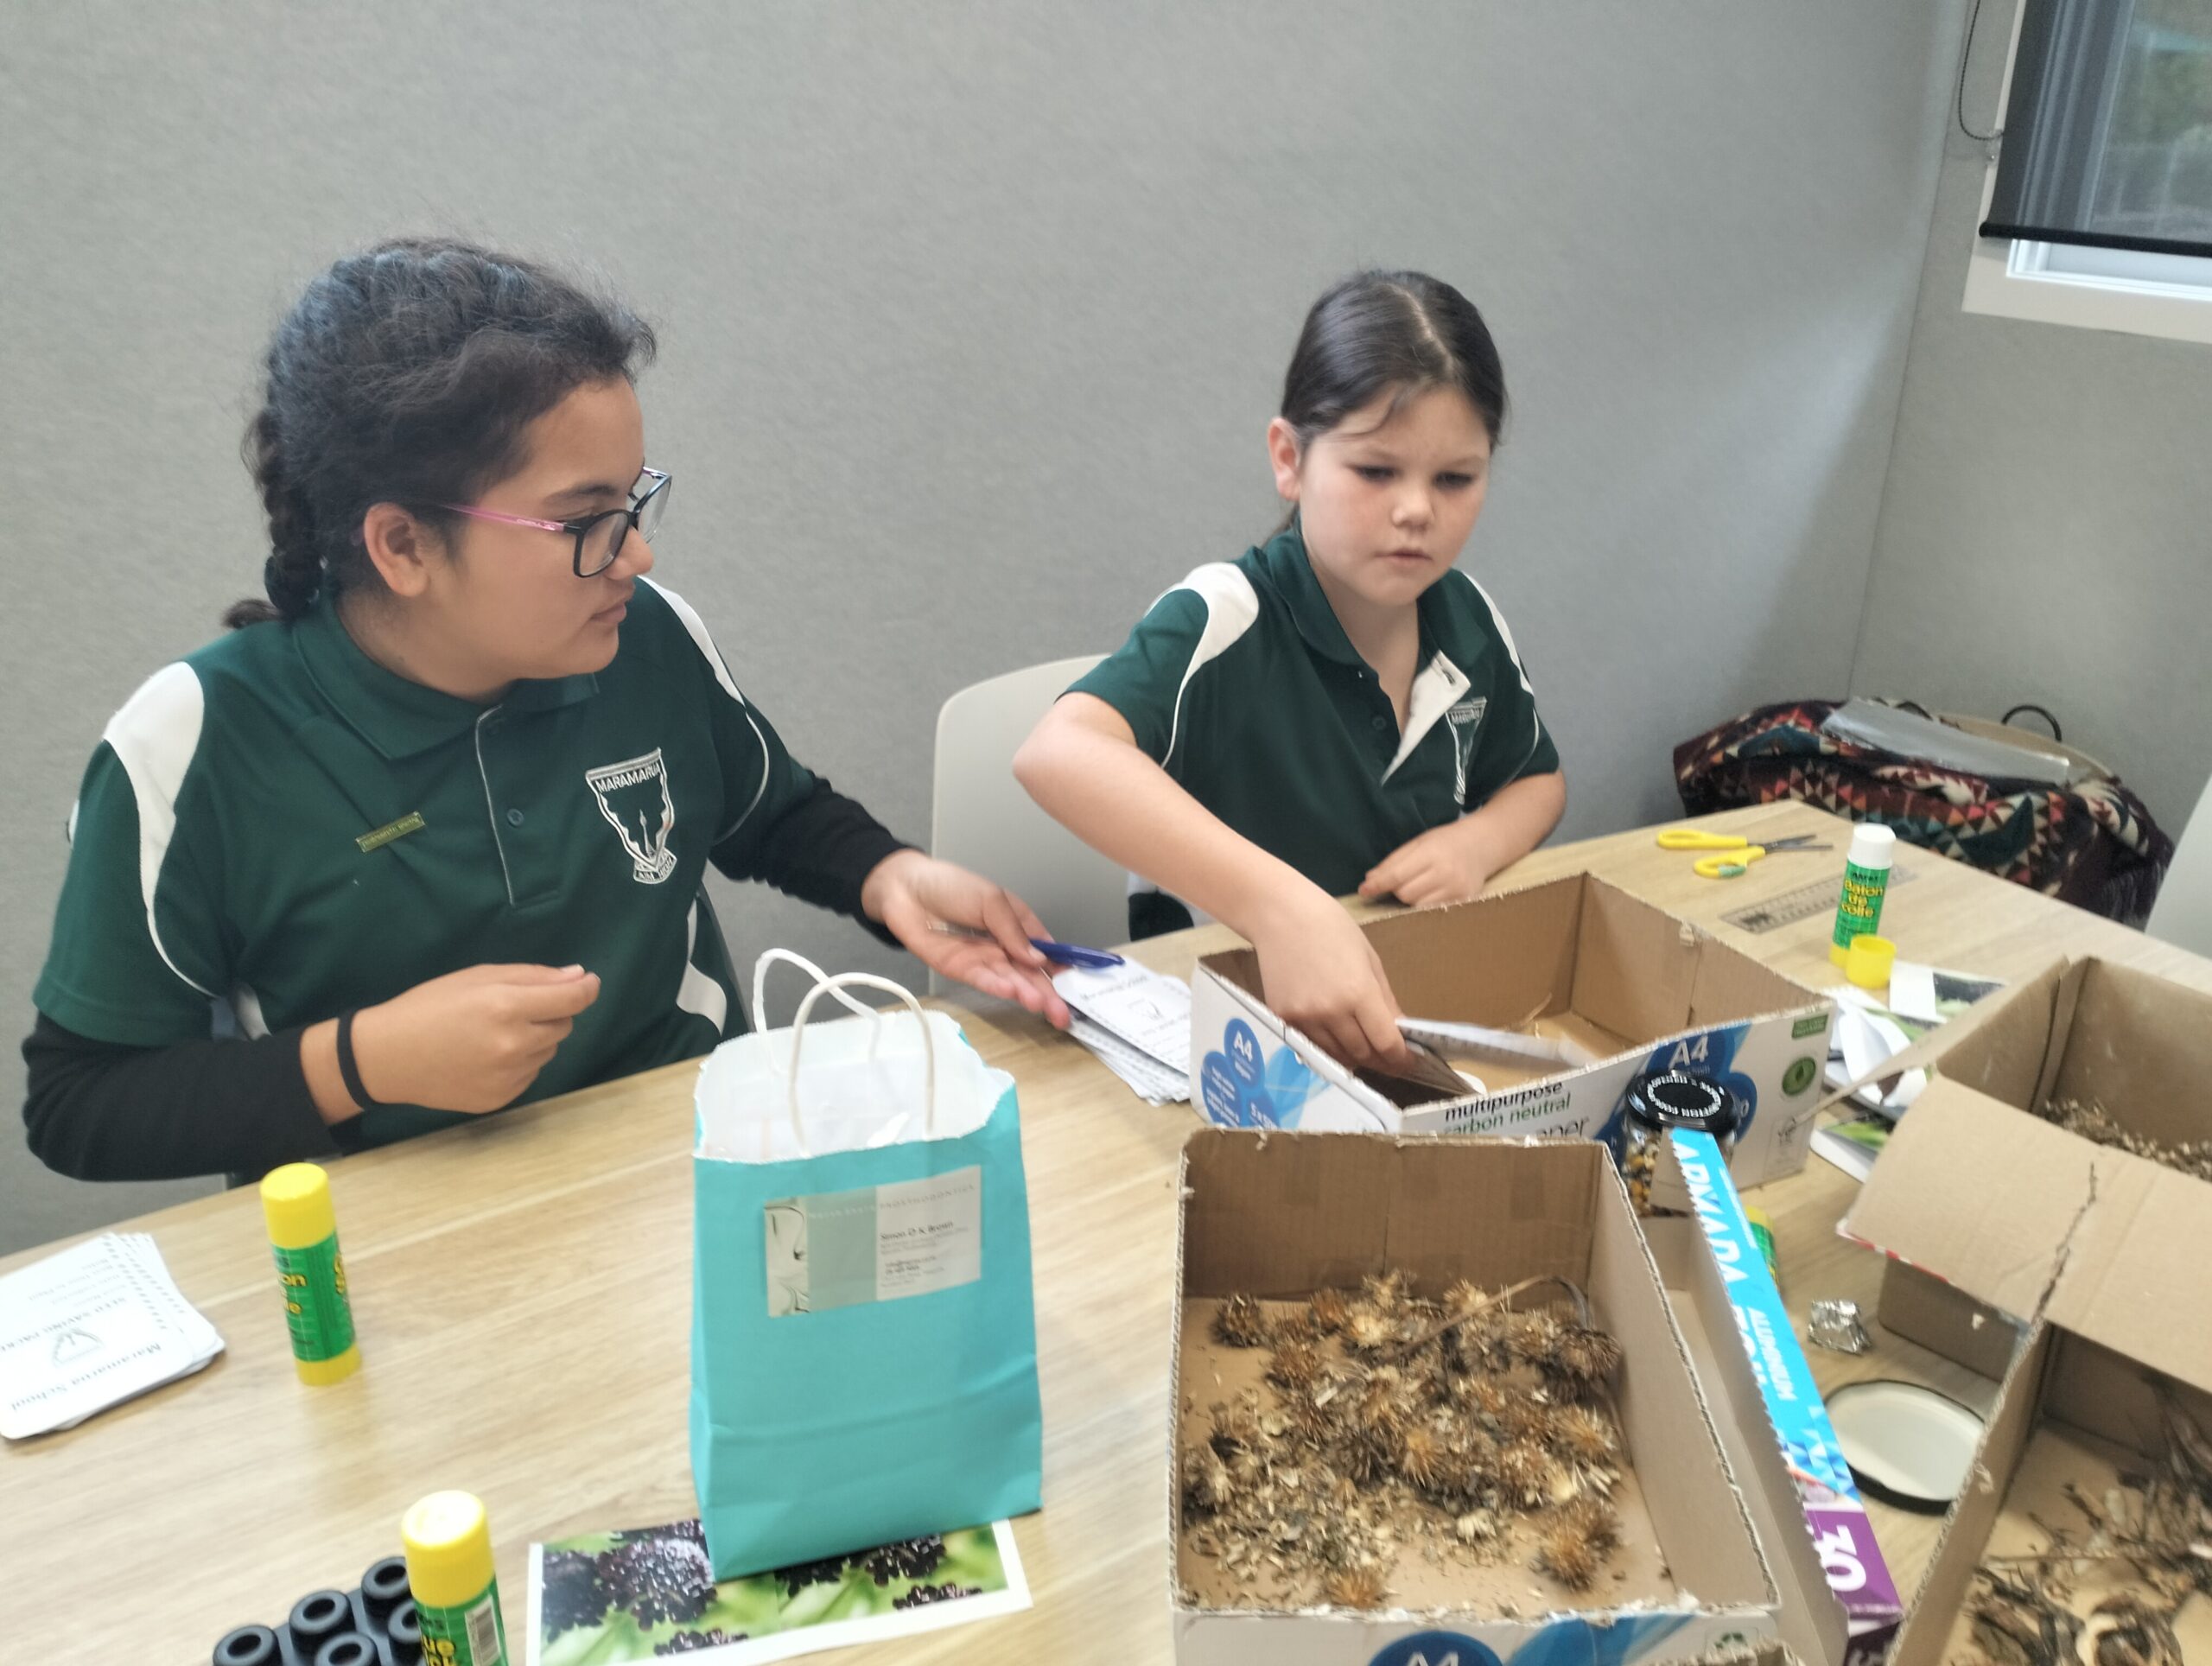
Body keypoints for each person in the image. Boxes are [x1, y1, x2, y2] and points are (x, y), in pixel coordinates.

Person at [24, 238, 1067, 1182]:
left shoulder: (641, 634)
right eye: (585, 521)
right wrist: (362, 1060)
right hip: (398, 1235)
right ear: (404, 546)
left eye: (633, 502)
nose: (636, 554)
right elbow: (79, 1104)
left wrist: (888, 875)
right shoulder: (192, 742)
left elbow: (772, 813)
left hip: (680, 1170)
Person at [1015, 270, 1564, 1070]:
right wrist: (1281, 910)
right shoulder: (1227, 615)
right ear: (1289, 459)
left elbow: (1537, 782)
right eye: (1376, 471)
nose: (1417, 509)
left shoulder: (1469, 617)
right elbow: (1057, 753)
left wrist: (1477, 843)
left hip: (1399, 1013)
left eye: (1455, 478)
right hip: (1228, 1034)